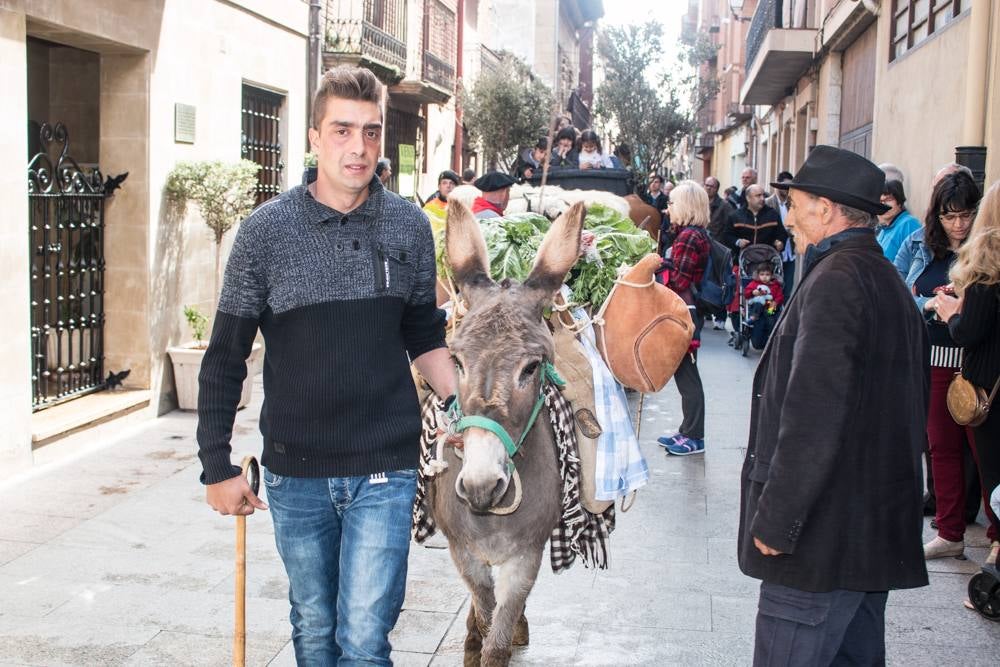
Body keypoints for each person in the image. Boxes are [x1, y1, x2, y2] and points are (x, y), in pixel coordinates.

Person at [196, 66, 457, 664]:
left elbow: (423, 336)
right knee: (314, 631)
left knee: (364, 640)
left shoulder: (410, 227)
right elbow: (225, 356)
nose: (359, 148)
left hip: (384, 468)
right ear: (314, 137)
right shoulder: (265, 233)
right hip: (296, 472)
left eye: (371, 131)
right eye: (342, 131)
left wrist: (464, 406)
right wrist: (216, 467)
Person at [739, 146, 928, 665]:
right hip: (865, 537)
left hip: (820, 543)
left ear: (825, 209)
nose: (789, 218)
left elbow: (813, 417)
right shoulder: (882, 277)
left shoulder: (837, 281)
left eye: (795, 204)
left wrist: (777, 521)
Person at [894, 170, 985, 560]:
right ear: (938, 216)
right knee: (941, 448)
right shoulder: (921, 244)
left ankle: (996, 535)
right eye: (950, 216)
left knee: (984, 452)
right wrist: (930, 304)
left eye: (965, 214)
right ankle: (950, 533)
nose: (959, 224)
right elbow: (900, 291)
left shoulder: (985, 250)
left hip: (974, 362)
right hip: (933, 360)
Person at [936, 179, 1000, 573]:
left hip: (989, 388)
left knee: (995, 477)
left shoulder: (987, 261)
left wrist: (951, 314)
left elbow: (970, 332)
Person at [655, 180, 711, 456]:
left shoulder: (689, 237)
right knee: (685, 374)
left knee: (688, 375)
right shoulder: (692, 233)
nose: (668, 208)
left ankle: (695, 437)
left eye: (672, 202)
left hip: (685, 313)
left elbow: (678, 278)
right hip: (688, 310)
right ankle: (687, 430)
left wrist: (657, 264)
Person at [723, 184, 787, 334]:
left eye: (763, 195)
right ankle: (740, 328)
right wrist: (737, 242)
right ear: (748, 198)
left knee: (775, 293)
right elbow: (727, 235)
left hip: (767, 266)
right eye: (758, 196)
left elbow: (782, 233)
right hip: (744, 263)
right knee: (738, 297)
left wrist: (780, 242)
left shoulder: (772, 215)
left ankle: (771, 322)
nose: (762, 198)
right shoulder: (736, 216)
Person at [704, 176, 732, 330]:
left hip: (718, 249)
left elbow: (730, 226)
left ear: (717, 188)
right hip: (703, 246)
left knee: (718, 281)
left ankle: (720, 315)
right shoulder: (699, 203)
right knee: (704, 281)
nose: (708, 188)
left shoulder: (724, 206)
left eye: (712, 186)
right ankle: (706, 311)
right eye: (706, 185)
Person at [766, 171, 797, 295]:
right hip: (774, 253)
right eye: (785, 186)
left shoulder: (793, 204)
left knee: (787, 289)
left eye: (790, 186)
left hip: (790, 253)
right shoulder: (768, 203)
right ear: (778, 185)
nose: (787, 189)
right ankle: (772, 313)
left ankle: (784, 314)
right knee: (773, 290)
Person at [876, 179, 921, 261]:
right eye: (880, 201)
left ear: (899, 202)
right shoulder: (883, 230)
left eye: (889, 200)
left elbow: (917, 261)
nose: (884, 205)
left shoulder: (909, 224)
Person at [744, 262, 784, 350]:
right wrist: (752, 292)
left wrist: (776, 302)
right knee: (757, 305)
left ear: (772, 275)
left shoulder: (775, 285)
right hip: (757, 309)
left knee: (771, 317)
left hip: (770, 306)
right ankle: (753, 318)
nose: (765, 277)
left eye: (767, 275)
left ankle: (771, 335)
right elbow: (746, 293)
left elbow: (780, 296)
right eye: (762, 274)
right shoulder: (754, 284)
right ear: (758, 275)